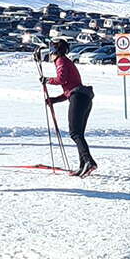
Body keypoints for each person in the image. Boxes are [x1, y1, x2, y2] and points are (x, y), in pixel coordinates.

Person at [44, 39, 98, 176]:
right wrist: (54, 100)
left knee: (74, 133)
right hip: (83, 98)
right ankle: (83, 165)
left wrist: (47, 80)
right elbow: (69, 89)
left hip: (78, 98)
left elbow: (61, 79)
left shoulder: (61, 61)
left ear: (55, 52)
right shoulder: (66, 61)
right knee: (78, 134)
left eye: (51, 52)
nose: (50, 56)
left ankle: (89, 162)